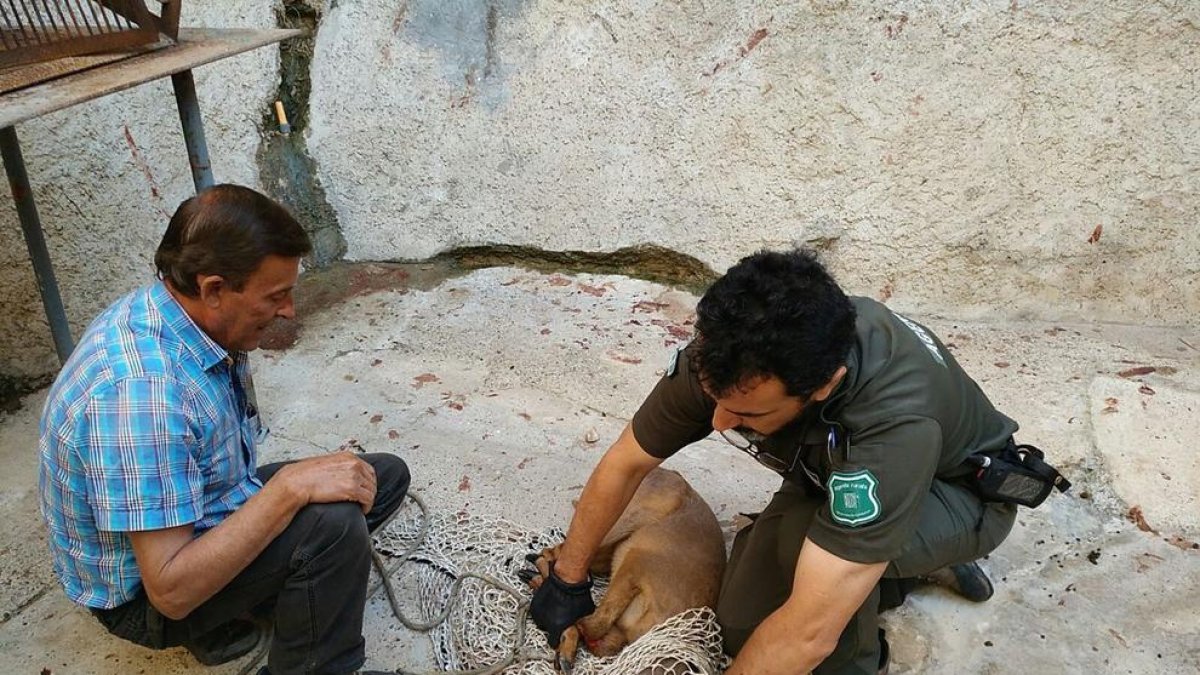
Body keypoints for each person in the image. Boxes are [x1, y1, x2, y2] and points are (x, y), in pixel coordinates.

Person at [530, 248, 1022, 674]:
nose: (721, 422)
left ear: (823, 387)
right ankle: (898, 574)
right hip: (827, 472)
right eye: (714, 400)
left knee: (806, 582)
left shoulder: (893, 424)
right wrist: (568, 578)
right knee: (741, 627)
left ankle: (866, 658)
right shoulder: (735, 352)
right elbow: (626, 463)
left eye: (746, 414)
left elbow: (808, 633)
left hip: (956, 492)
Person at [38, 184, 410, 675]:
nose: (289, 311)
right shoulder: (142, 395)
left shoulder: (176, 312)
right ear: (214, 289)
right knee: (333, 529)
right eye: (275, 296)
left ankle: (269, 595)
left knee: (375, 476)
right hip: (147, 600)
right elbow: (169, 591)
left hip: (207, 507)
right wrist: (289, 491)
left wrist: (292, 491)